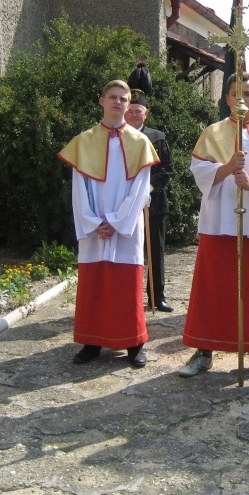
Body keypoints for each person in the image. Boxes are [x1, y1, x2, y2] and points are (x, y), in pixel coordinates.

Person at [178, 72, 249, 378]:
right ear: (227, 97)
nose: (243, 99)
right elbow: (199, 170)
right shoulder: (213, 132)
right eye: (236, 93)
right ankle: (204, 350)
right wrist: (227, 168)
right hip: (219, 221)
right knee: (214, 286)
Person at [58, 80, 159, 368]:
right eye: (112, 97)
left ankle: (134, 344)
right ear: (101, 100)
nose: (118, 102)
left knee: (126, 284)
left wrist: (116, 221)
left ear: (129, 105)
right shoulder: (84, 140)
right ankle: (91, 342)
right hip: (95, 226)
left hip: (125, 226)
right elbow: (79, 187)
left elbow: (141, 188)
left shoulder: (140, 143)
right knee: (94, 283)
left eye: (123, 99)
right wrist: (92, 222)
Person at [124, 65, 175, 312]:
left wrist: (148, 189)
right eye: (130, 111)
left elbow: (167, 169)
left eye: (138, 111)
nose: (134, 115)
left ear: (146, 113)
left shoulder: (157, 137)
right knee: (125, 253)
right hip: (122, 204)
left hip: (153, 204)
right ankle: (127, 297)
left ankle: (157, 296)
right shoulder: (117, 137)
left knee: (155, 251)